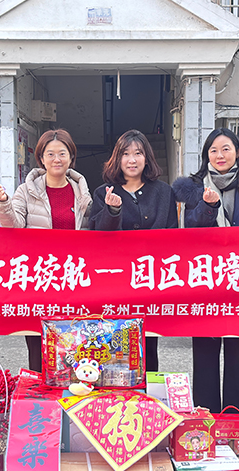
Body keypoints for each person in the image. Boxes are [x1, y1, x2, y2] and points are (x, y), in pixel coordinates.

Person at [171, 127, 239, 414]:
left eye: (226, 149)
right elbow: (190, 229)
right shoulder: (193, 187)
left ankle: (235, 417)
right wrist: (207, 206)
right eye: (213, 150)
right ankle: (205, 415)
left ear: (237, 152)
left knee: (238, 353)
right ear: (206, 155)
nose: (220, 155)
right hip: (204, 281)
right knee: (205, 351)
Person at [0, 129, 92, 371]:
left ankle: (71, 389)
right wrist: (2, 203)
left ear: (71, 157)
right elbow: (13, 226)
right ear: (41, 158)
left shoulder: (83, 193)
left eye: (62, 153)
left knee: (74, 343)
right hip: (40, 278)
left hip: (73, 279)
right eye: (50, 154)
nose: (57, 159)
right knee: (37, 344)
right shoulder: (26, 191)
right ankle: (38, 392)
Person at [89, 129, 178, 372]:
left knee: (148, 344)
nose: (132, 160)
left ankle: (147, 393)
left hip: (150, 281)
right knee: (115, 344)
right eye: (125, 154)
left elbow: (172, 235)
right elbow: (96, 237)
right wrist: (112, 211)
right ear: (117, 159)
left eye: (138, 153)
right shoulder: (104, 192)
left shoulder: (163, 192)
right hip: (115, 283)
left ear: (147, 158)